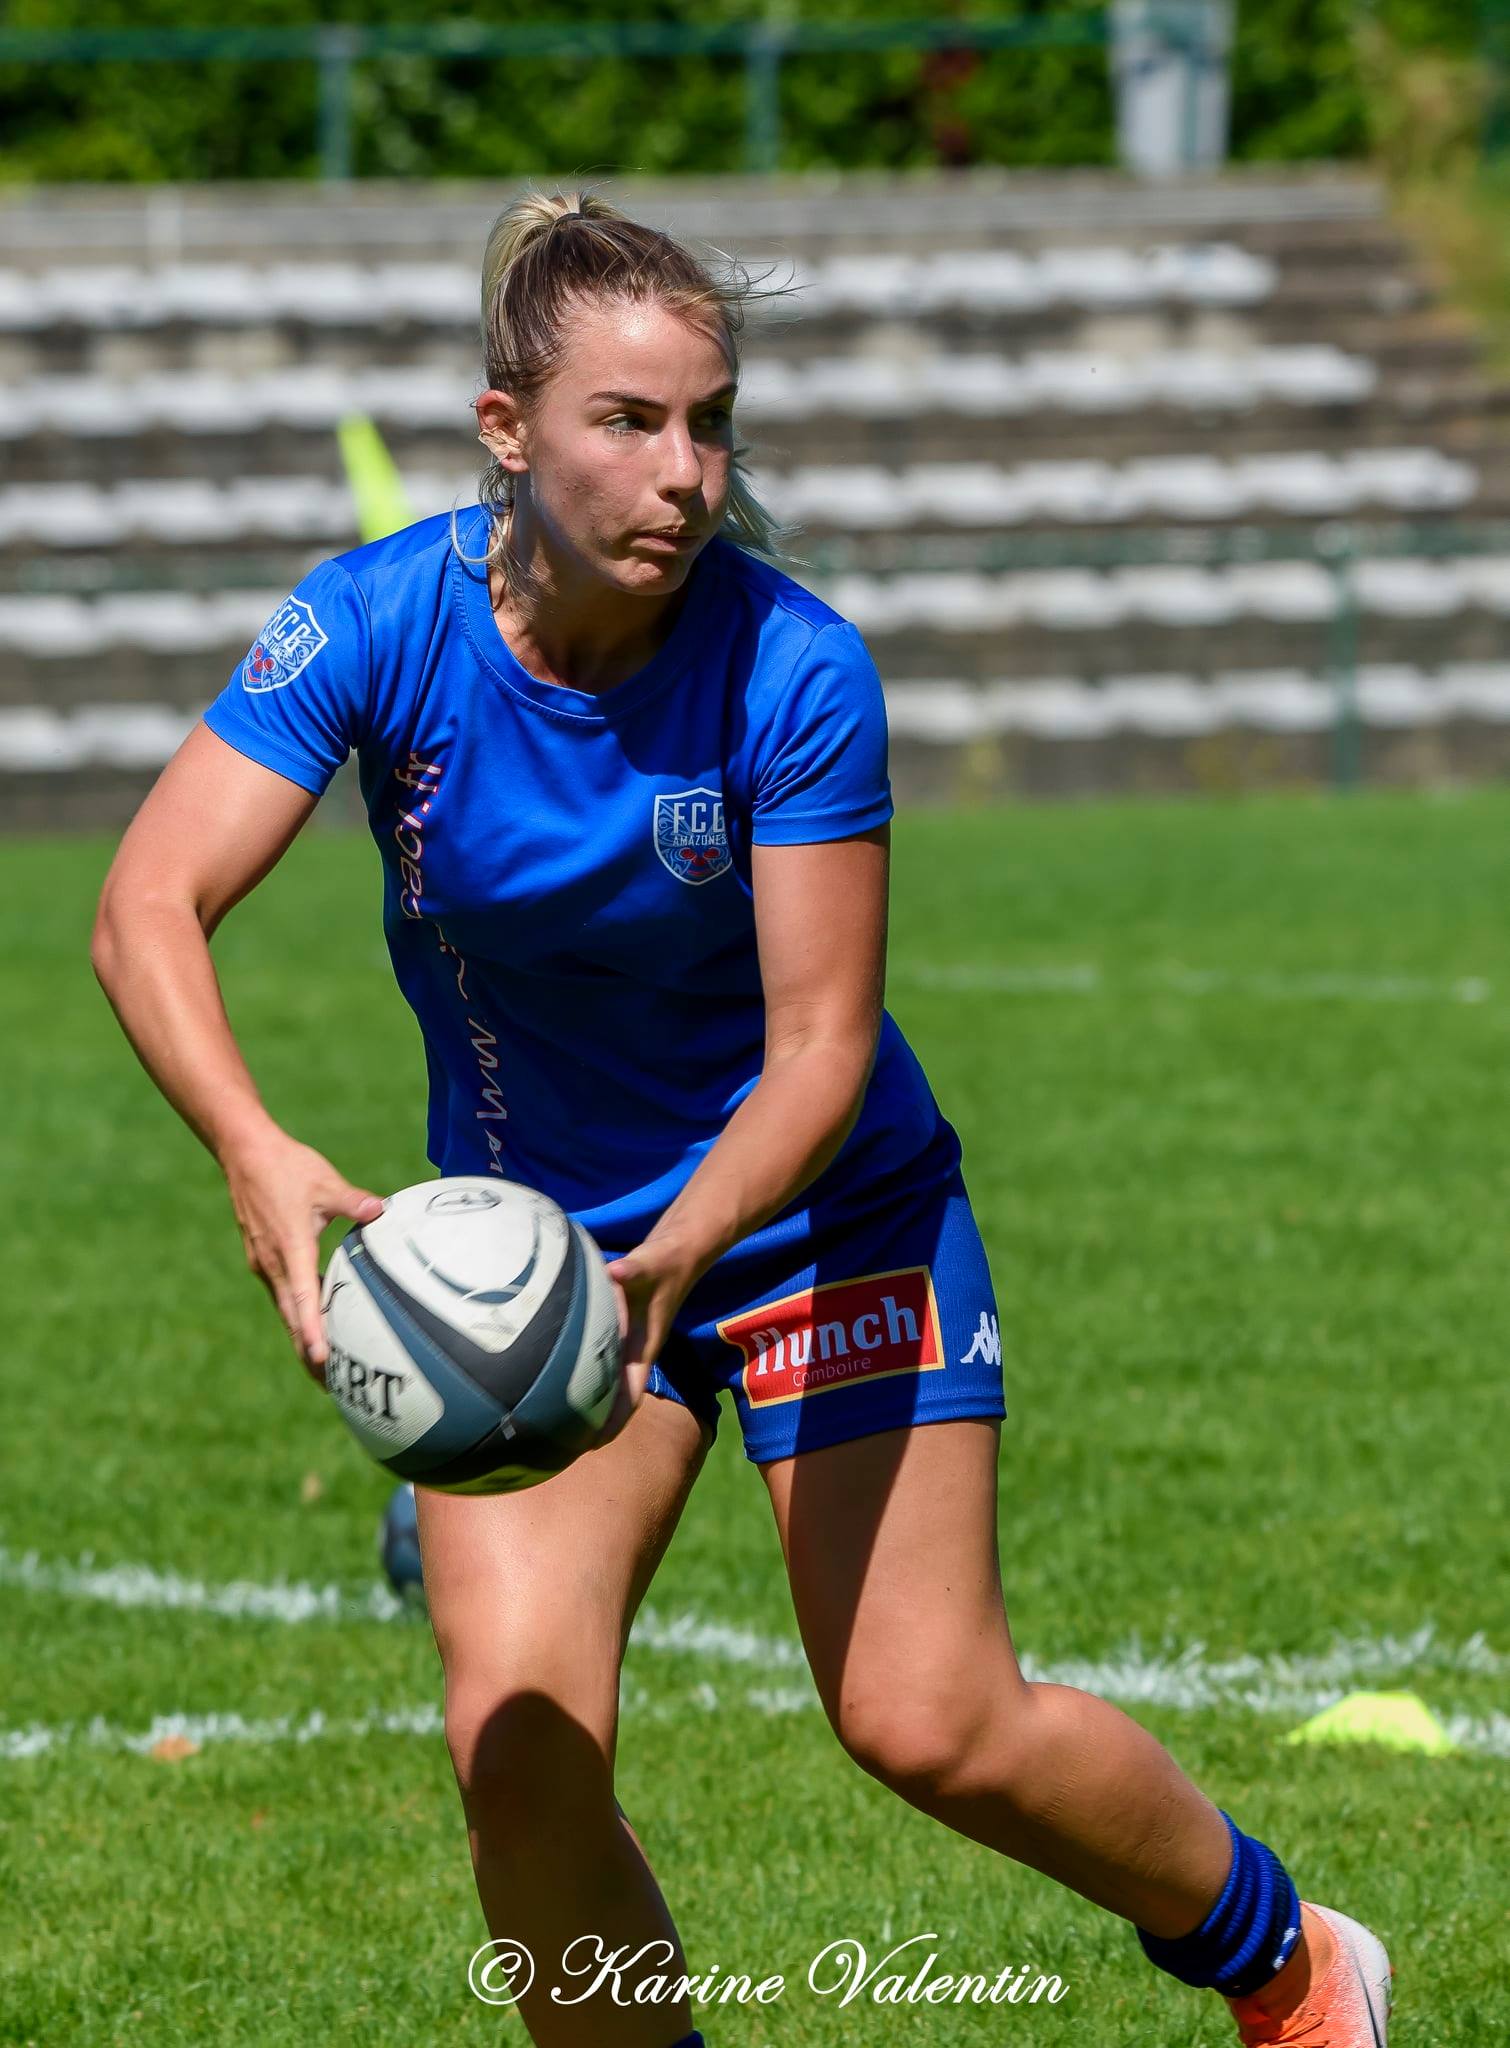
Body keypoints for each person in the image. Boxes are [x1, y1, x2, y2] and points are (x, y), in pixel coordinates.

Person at [91, 187, 1393, 2048]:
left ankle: (1287, 1966)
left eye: (708, 423)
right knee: (516, 1757)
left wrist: (684, 1251)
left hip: (809, 1220)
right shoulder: (373, 621)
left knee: (925, 1721)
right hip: (539, 1260)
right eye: (628, 423)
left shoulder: (794, 669)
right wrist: (254, 1142)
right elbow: (145, 906)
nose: (683, 471)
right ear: (504, 433)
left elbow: (818, 1050)